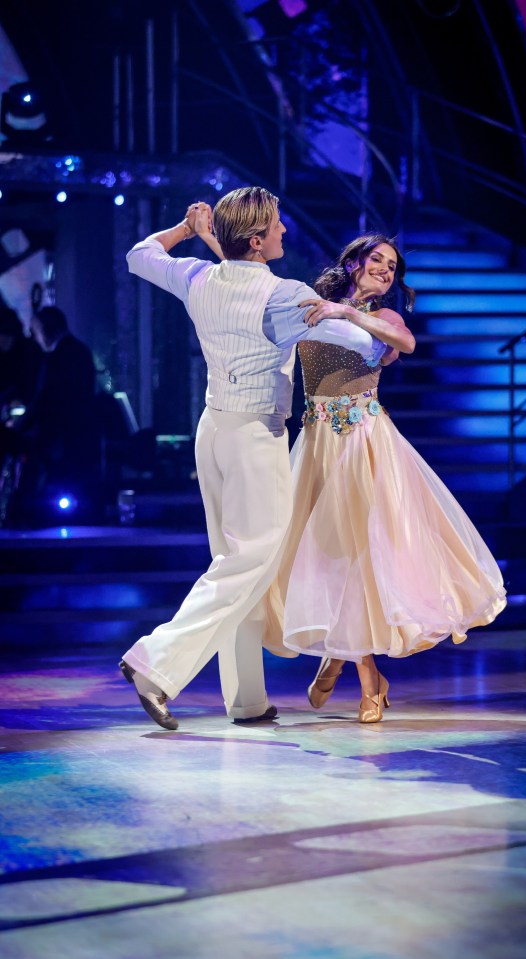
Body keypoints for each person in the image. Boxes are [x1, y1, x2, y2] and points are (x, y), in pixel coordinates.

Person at [119, 188, 386, 730]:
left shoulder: (198, 276)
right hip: (253, 436)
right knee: (250, 560)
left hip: (212, 430)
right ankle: (156, 662)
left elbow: (140, 254)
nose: (287, 231)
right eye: (279, 225)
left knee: (236, 564)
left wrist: (185, 229)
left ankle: (246, 699)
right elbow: (363, 345)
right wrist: (354, 318)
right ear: (259, 240)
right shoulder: (284, 294)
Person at [264, 234, 507, 722]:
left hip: (363, 443)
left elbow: (407, 343)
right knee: (322, 556)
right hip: (316, 444)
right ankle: (342, 653)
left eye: (392, 266)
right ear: (353, 262)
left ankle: (368, 678)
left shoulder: (384, 318)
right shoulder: (314, 305)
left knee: (361, 557)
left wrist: (353, 315)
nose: (385, 270)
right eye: (377, 260)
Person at [3, 305, 97, 525]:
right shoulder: (80, 351)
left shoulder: (56, 359)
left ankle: (17, 511)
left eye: (35, 332)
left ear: (44, 330)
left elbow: (44, 399)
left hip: (57, 435)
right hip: (77, 434)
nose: (34, 338)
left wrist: (18, 426)